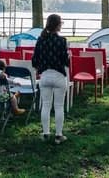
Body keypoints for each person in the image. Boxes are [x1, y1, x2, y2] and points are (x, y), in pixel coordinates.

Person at [31, 14, 70, 144]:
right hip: (59, 76)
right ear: (58, 25)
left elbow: (34, 61)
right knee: (59, 107)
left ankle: (45, 133)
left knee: (46, 106)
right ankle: (58, 135)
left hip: (45, 76)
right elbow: (66, 62)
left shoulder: (40, 40)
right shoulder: (62, 41)